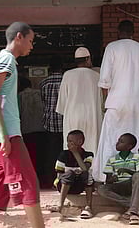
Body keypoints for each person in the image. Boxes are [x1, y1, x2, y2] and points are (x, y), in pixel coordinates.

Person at [0, 22, 44, 228]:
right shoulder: (6, 59)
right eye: (30, 41)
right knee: (28, 183)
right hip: (6, 135)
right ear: (19, 37)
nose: (31, 46)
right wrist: (4, 135)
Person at [93, 20, 139, 183]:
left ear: (118, 32)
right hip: (138, 103)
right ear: (133, 32)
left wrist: (104, 103)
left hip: (116, 102)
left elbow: (104, 81)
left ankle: (107, 177)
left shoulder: (112, 48)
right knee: (137, 140)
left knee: (111, 140)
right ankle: (137, 180)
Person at [56, 47, 102, 155]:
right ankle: (91, 169)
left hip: (73, 117)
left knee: (73, 147)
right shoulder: (96, 76)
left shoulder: (67, 75)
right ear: (88, 59)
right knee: (92, 144)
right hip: (92, 117)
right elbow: (102, 101)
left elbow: (61, 103)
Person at [98, 133, 139, 225]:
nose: (117, 143)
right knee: (101, 188)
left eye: (121, 141)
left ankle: (132, 210)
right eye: (118, 141)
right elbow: (108, 180)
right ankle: (133, 206)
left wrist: (127, 171)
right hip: (118, 187)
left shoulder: (136, 157)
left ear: (129, 146)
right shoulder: (112, 159)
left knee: (138, 175)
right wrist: (112, 179)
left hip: (130, 185)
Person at [53, 130, 94, 219]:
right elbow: (59, 174)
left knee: (87, 174)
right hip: (64, 185)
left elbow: (84, 169)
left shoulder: (88, 155)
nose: (68, 144)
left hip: (78, 186)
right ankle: (60, 205)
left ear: (80, 142)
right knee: (69, 173)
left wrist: (75, 153)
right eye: (68, 141)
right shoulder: (63, 154)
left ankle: (89, 206)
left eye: (71, 141)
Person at [39, 55, 64, 188]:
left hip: (50, 122)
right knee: (64, 150)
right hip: (65, 121)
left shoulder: (44, 82)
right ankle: (63, 177)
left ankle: (50, 178)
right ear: (61, 68)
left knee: (51, 151)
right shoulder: (66, 80)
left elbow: (43, 100)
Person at [18, 76, 46, 179]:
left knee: (30, 154)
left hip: (27, 129)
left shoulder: (20, 95)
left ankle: (31, 175)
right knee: (41, 154)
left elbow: (18, 112)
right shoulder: (39, 93)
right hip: (41, 128)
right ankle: (42, 175)